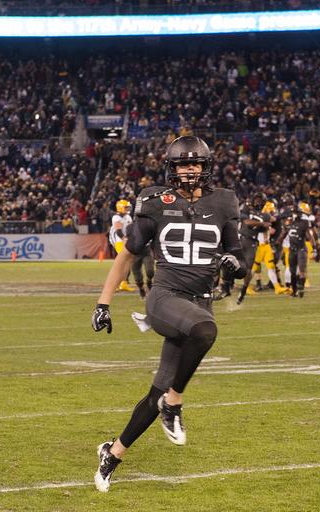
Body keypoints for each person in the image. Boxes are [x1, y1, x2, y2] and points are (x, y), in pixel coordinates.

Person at [90, 135, 246, 492]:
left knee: (155, 393)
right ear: (171, 168)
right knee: (205, 332)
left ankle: (112, 453)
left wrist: (234, 264)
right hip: (164, 298)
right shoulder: (155, 200)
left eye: (195, 164)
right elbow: (127, 255)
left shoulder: (224, 201)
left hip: (199, 302)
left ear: (206, 167)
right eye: (182, 164)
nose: (189, 170)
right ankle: (173, 405)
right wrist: (103, 303)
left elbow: (239, 259)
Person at [276, 208, 317, 298]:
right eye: (293, 213)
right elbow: (282, 235)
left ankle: (301, 287)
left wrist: (314, 248)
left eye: (296, 213)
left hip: (301, 249)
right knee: (292, 272)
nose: (294, 215)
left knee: (302, 270)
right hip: (292, 250)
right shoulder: (288, 223)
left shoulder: (304, 223)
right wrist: (276, 244)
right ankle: (294, 291)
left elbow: (310, 237)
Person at [108, 199, 135, 292]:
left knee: (128, 261)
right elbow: (118, 231)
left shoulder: (128, 217)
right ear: (120, 208)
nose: (128, 209)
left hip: (125, 239)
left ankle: (123, 283)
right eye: (126, 207)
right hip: (118, 240)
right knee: (122, 261)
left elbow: (130, 229)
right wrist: (124, 239)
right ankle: (114, 285)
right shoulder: (116, 217)